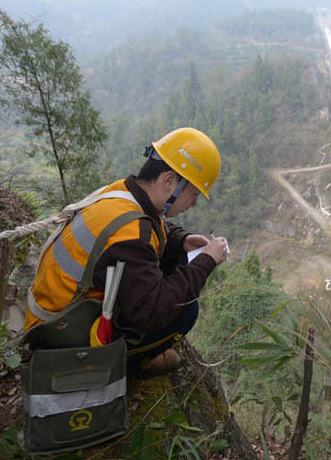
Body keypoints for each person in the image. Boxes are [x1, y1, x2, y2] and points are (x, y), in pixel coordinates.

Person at [24, 127, 228, 376]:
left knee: (174, 259)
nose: (194, 203)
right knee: (186, 311)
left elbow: (151, 226)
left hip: (53, 314)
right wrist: (205, 261)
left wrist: (181, 240)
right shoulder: (132, 233)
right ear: (169, 181)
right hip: (61, 336)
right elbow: (153, 311)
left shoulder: (122, 192)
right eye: (193, 194)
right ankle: (132, 361)